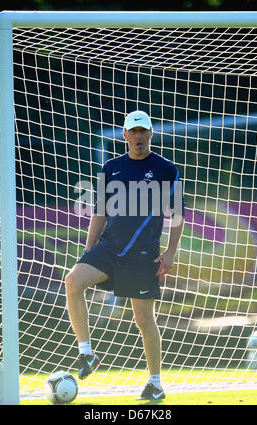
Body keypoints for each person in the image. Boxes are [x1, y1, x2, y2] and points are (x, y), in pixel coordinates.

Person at [65, 110, 185, 400]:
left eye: (143, 131)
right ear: (125, 135)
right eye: (133, 131)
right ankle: (87, 354)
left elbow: (178, 213)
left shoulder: (166, 169)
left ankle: (155, 384)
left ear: (151, 134)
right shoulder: (110, 167)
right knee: (73, 281)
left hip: (144, 256)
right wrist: (88, 249)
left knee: (143, 320)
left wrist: (170, 253)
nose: (139, 136)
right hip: (108, 248)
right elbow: (99, 212)